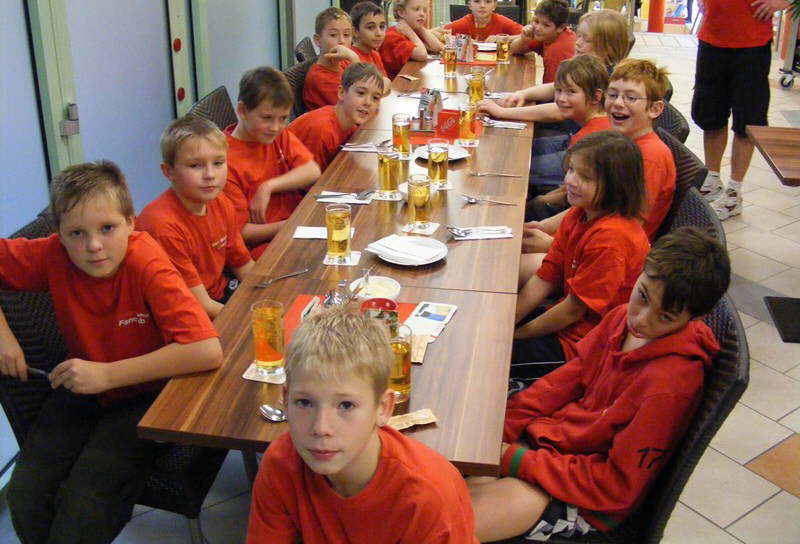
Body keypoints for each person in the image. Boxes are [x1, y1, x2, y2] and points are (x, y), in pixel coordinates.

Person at [0, 161, 222, 544]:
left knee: (86, 503)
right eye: (77, 233)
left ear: (131, 222)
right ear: (59, 235)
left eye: (107, 228)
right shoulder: (53, 254)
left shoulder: (146, 262)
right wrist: (4, 338)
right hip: (83, 389)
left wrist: (107, 374)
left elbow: (206, 350)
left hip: (145, 394)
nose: (94, 246)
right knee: (25, 495)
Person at [469, 227, 730, 542]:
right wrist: (505, 430)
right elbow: (564, 382)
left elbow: (614, 487)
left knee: (449, 520)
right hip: (554, 449)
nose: (641, 319)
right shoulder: (621, 318)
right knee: (460, 464)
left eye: (665, 317)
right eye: (642, 296)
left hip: (588, 498)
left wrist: (514, 458)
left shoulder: (669, 387)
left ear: (696, 318)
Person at [246, 308, 478, 543]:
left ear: (383, 408)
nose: (321, 428)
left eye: (346, 405)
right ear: (285, 401)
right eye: (304, 402)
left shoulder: (428, 497)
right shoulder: (280, 464)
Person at [513, 131, 650, 381]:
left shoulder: (611, 238)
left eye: (585, 177)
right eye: (571, 170)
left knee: (493, 359)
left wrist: (515, 336)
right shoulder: (581, 212)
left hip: (582, 346)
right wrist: (510, 321)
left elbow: (572, 311)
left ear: (615, 187)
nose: (571, 181)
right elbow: (547, 274)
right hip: (564, 322)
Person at [687, 0, 800, 220]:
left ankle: (734, 192)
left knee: (747, 122)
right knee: (710, 116)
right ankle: (713, 178)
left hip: (752, 46)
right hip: (711, 41)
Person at [524, 58, 675, 252]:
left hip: (606, 252)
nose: (617, 103)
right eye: (612, 95)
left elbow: (624, 229)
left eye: (630, 98)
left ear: (655, 109)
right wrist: (544, 226)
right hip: (581, 236)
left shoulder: (650, 157)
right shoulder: (617, 143)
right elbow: (589, 206)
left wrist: (551, 245)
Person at [136, 116, 254, 318]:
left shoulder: (220, 201)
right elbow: (200, 306)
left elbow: (242, 264)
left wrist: (269, 296)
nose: (210, 174)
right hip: (190, 311)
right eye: (195, 166)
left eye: (218, 163)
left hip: (220, 294)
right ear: (169, 172)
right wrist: (252, 318)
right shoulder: (163, 226)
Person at [225, 66, 321, 259]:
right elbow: (239, 233)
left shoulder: (276, 135)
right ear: (242, 110)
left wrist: (268, 186)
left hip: (294, 224)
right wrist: (290, 226)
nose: (276, 127)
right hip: (265, 246)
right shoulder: (223, 162)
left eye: (283, 118)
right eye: (267, 118)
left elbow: (312, 170)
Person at [479, 9, 629, 123]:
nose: (578, 43)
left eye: (587, 40)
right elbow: (555, 86)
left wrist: (502, 112)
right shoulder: (587, 67)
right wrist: (522, 94)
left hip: (573, 137)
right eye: (579, 36)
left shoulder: (601, 77)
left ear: (607, 48)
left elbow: (557, 112)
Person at [526, 55, 613, 219]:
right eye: (558, 90)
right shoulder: (595, 123)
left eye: (571, 92)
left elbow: (573, 194)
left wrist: (539, 202)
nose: (561, 99)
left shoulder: (592, 141)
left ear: (596, 97)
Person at [288, 62, 383, 172]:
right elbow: (309, 178)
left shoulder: (349, 124)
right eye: (361, 93)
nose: (368, 102)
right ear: (342, 93)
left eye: (375, 98)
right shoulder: (323, 130)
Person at [303, 7, 361, 111]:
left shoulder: (344, 62)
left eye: (346, 35)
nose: (342, 41)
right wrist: (354, 59)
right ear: (318, 40)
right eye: (333, 35)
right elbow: (356, 106)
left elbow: (380, 83)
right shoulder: (319, 78)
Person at [379, 0, 443, 79]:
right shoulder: (392, 36)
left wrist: (421, 29)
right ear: (401, 13)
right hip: (395, 85)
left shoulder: (414, 30)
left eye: (425, 10)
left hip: (410, 79)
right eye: (416, 9)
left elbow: (437, 47)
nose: (422, 14)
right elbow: (422, 55)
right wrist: (411, 33)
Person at [509, 0, 575, 85]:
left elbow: (555, 87)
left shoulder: (558, 49)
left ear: (560, 27)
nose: (538, 28)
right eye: (536, 21)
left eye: (546, 25)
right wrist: (523, 40)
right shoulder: (547, 35)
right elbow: (513, 50)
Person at [442, 0, 523, 41]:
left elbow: (527, 35)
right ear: (470, 5)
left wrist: (505, 39)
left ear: (494, 6)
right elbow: (438, 33)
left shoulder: (501, 21)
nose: (482, 5)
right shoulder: (465, 22)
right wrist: (461, 40)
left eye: (488, 1)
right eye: (477, 1)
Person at [349, 1, 393, 93]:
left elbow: (385, 83)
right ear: (355, 32)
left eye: (382, 26)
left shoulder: (375, 55)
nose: (378, 33)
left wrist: (384, 83)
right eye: (370, 27)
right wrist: (384, 83)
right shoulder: (349, 58)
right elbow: (373, 89)